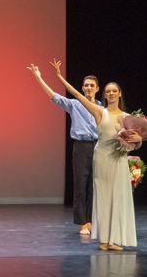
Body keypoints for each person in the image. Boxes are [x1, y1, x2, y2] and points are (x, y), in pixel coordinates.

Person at [52, 60, 142, 251]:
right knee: (101, 196)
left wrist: (138, 140)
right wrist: (59, 76)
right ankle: (103, 239)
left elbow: (135, 142)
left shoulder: (126, 116)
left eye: (114, 91)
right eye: (108, 91)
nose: (111, 94)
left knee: (118, 197)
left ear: (119, 94)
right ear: (105, 94)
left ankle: (115, 239)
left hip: (117, 159)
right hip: (100, 156)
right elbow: (76, 94)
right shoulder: (99, 111)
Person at [28, 64, 100, 235]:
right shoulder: (75, 104)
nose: (88, 88)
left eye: (92, 85)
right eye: (86, 85)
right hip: (81, 147)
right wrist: (39, 77)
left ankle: (92, 220)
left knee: (94, 186)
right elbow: (54, 96)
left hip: (98, 147)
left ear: (97, 88)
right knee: (81, 185)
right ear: (82, 88)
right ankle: (83, 222)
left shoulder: (101, 107)